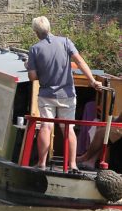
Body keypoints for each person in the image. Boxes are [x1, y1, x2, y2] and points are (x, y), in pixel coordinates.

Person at [25, 16, 102, 172]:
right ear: (49, 27)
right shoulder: (66, 42)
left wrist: (30, 66)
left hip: (46, 95)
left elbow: (33, 77)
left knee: (46, 127)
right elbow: (80, 61)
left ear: (36, 32)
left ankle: (41, 164)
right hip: (67, 95)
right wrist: (92, 80)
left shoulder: (34, 49)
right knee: (68, 128)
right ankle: (72, 164)